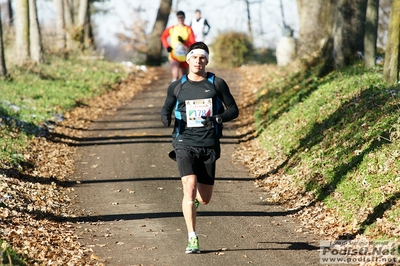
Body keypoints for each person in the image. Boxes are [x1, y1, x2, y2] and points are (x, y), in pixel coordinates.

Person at [160, 42, 239, 254]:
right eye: (194, 57)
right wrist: (165, 118)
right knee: (190, 185)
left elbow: (233, 110)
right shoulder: (177, 86)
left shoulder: (217, 84)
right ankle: (192, 237)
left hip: (208, 144)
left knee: (204, 198)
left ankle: (194, 203)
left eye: (202, 58)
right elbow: (166, 108)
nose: (198, 61)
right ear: (187, 60)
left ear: (207, 61)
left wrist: (217, 118)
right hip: (184, 141)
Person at [161, 11, 196, 82]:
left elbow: (193, 43)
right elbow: (163, 37)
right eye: (179, 18)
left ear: (184, 18)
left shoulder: (188, 29)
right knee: (175, 75)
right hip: (174, 55)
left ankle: (184, 91)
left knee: (184, 77)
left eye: (182, 17)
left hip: (185, 56)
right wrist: (167, 46)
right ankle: (174, 91)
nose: (181, 19)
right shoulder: (172, 28)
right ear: (177, 18)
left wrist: (184, 42)